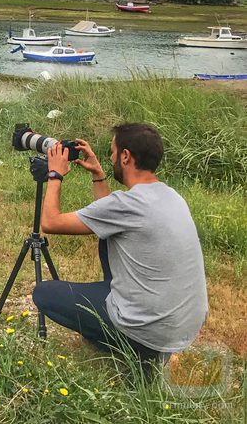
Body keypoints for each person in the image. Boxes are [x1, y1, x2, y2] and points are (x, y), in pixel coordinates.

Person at [34, 123, 208, 375]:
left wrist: (54, 175)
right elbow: (108, 218)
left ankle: (131, 348)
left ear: (126, 156)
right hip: (182, 326)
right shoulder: (172, 196)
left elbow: (50, 222)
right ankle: (140, 343)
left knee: (45, 293)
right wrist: (98, 174)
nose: (112, 157)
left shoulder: (126, 204)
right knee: (108, 238)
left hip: (148, 331)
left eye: (113, 152)